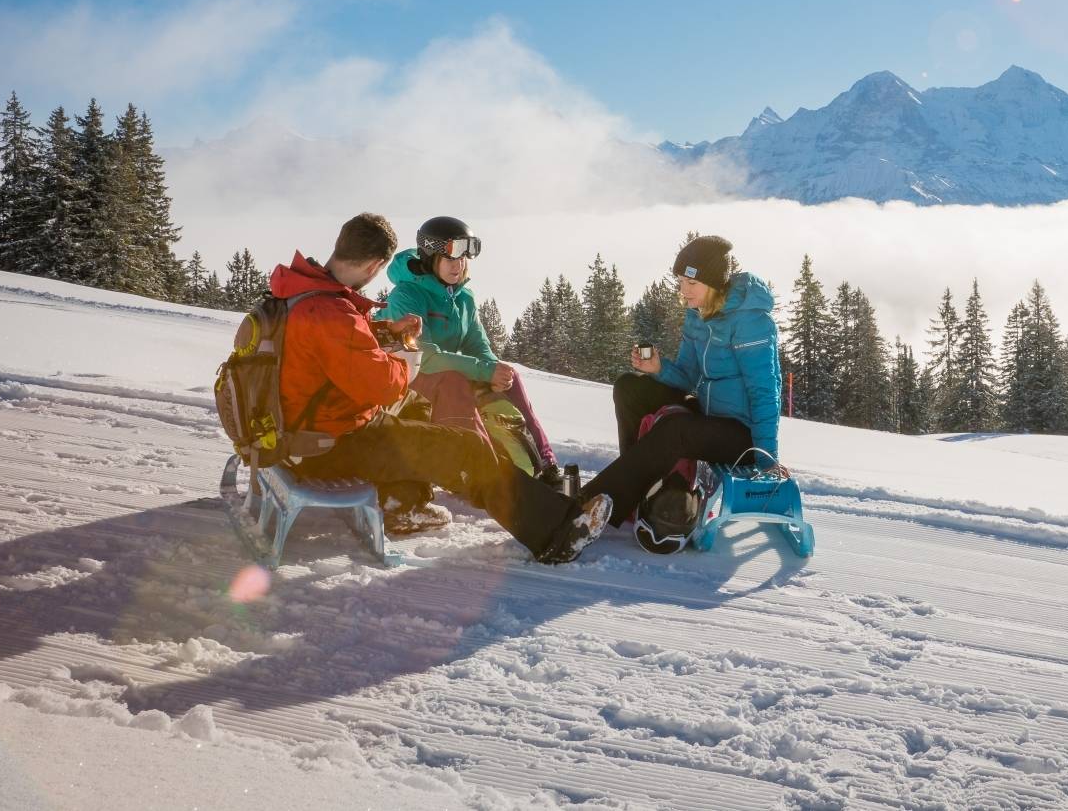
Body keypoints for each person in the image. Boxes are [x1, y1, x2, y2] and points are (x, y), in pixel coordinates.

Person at [269, 212, 609, 564]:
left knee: (418, 416)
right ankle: (556, 533)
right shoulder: (331, 312)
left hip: (308, 432)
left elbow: (334, 349)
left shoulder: (302, 294)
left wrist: (386, 333)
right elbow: (384, 387)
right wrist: (405, 359)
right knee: (466, 447)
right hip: (330, 443)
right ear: (375, 265)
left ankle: (402, 501)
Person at [580, 236, 783, 548]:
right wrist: (659, 369)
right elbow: (688, 376)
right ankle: (638, 488)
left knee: (676, 430)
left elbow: (765, 391)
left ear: (714, 283)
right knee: (629, 387)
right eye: (680, 281)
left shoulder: (749, 322)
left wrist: (766, 456)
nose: (683, 291)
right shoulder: (698, 314)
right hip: (705, 415)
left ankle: (594, 502)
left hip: (740, 434)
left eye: (691, 282)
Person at [375, 216, 562, 491]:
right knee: (455, 379)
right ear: (430, 257)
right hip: (406, 378)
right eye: (450, 258)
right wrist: (484, 371)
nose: (458, 265)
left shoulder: (464, 298)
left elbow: (477, 345)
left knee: (510, 377)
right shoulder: (407, 294)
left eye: (463, 258)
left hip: (443, 375)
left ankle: (546, 463)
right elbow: (425, 357)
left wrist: (495, 372)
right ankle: (477, 469)